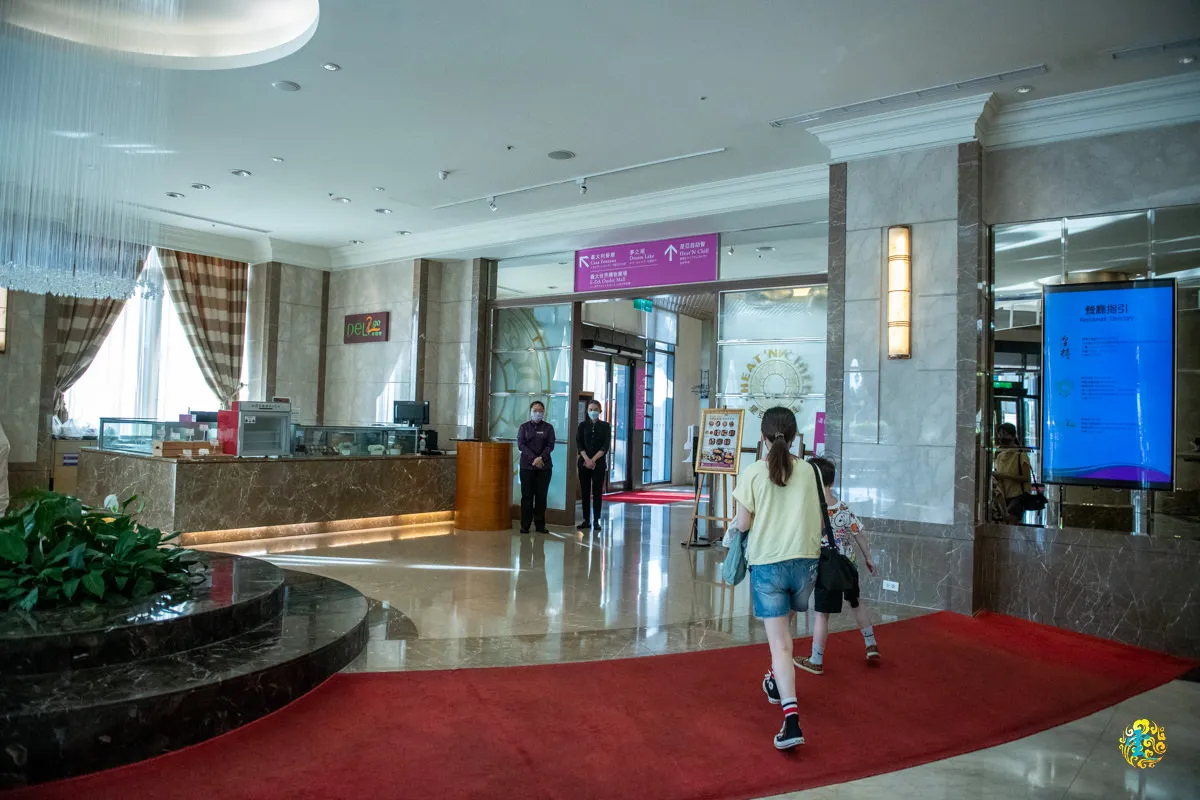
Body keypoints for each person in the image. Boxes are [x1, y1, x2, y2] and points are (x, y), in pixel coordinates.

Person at [730, 407, 824, 750]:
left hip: (769, 563)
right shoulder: (811, 471)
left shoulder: (754, 472)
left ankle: (791, 719)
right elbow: (818, 516)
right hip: (805, 562)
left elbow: (743, 523)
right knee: (787, 628)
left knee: (780, 644)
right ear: (795, 437)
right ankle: (774, 679)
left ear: (763, 437)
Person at [793, 457, 880, 676]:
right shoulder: (842, 507)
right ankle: (871, 644)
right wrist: (868, 558)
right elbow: (859, 534)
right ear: (831, 481)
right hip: (847, 564)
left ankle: (816, 659)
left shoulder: (810, 507)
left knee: (822, 615)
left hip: (825, 568)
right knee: (856, 602)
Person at [516, 400, 555, 534]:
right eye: (535, 411)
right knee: (527, 496)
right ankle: (525, 525)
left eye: (540, 411)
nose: (537, 413)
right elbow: (521, 445)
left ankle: (540, 525)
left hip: (544, 467)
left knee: (541, 496)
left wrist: (541, 458)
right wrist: (534, 459)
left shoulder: (548, 428)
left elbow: (550, 445)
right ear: (530, 412)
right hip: (527, 467)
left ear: (544, 413)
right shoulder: (524, 427)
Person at [576, 399, 611, 532]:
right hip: (584, 463)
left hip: (599, 463)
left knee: (597, 492)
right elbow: (579, 443)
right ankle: (586, 519)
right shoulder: (582, 426)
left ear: (600, 411)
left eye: (595, 409)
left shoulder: (605, 426)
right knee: (585, 491)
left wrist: (593, 460)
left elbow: (605, 446)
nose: (593, 412)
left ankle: (596, 520)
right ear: (587, 411)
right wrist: (586, 459)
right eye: (590, 409)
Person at [992, 422, 1033, 524]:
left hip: (1017, 496)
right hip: (1003, 497)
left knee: (1011, 524)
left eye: (1004, 434)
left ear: (1013, 436)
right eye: (999, 434)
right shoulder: (999, 457)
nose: (1001, 437)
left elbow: (1026, 477)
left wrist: (1004, 475)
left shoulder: (1021, 455)